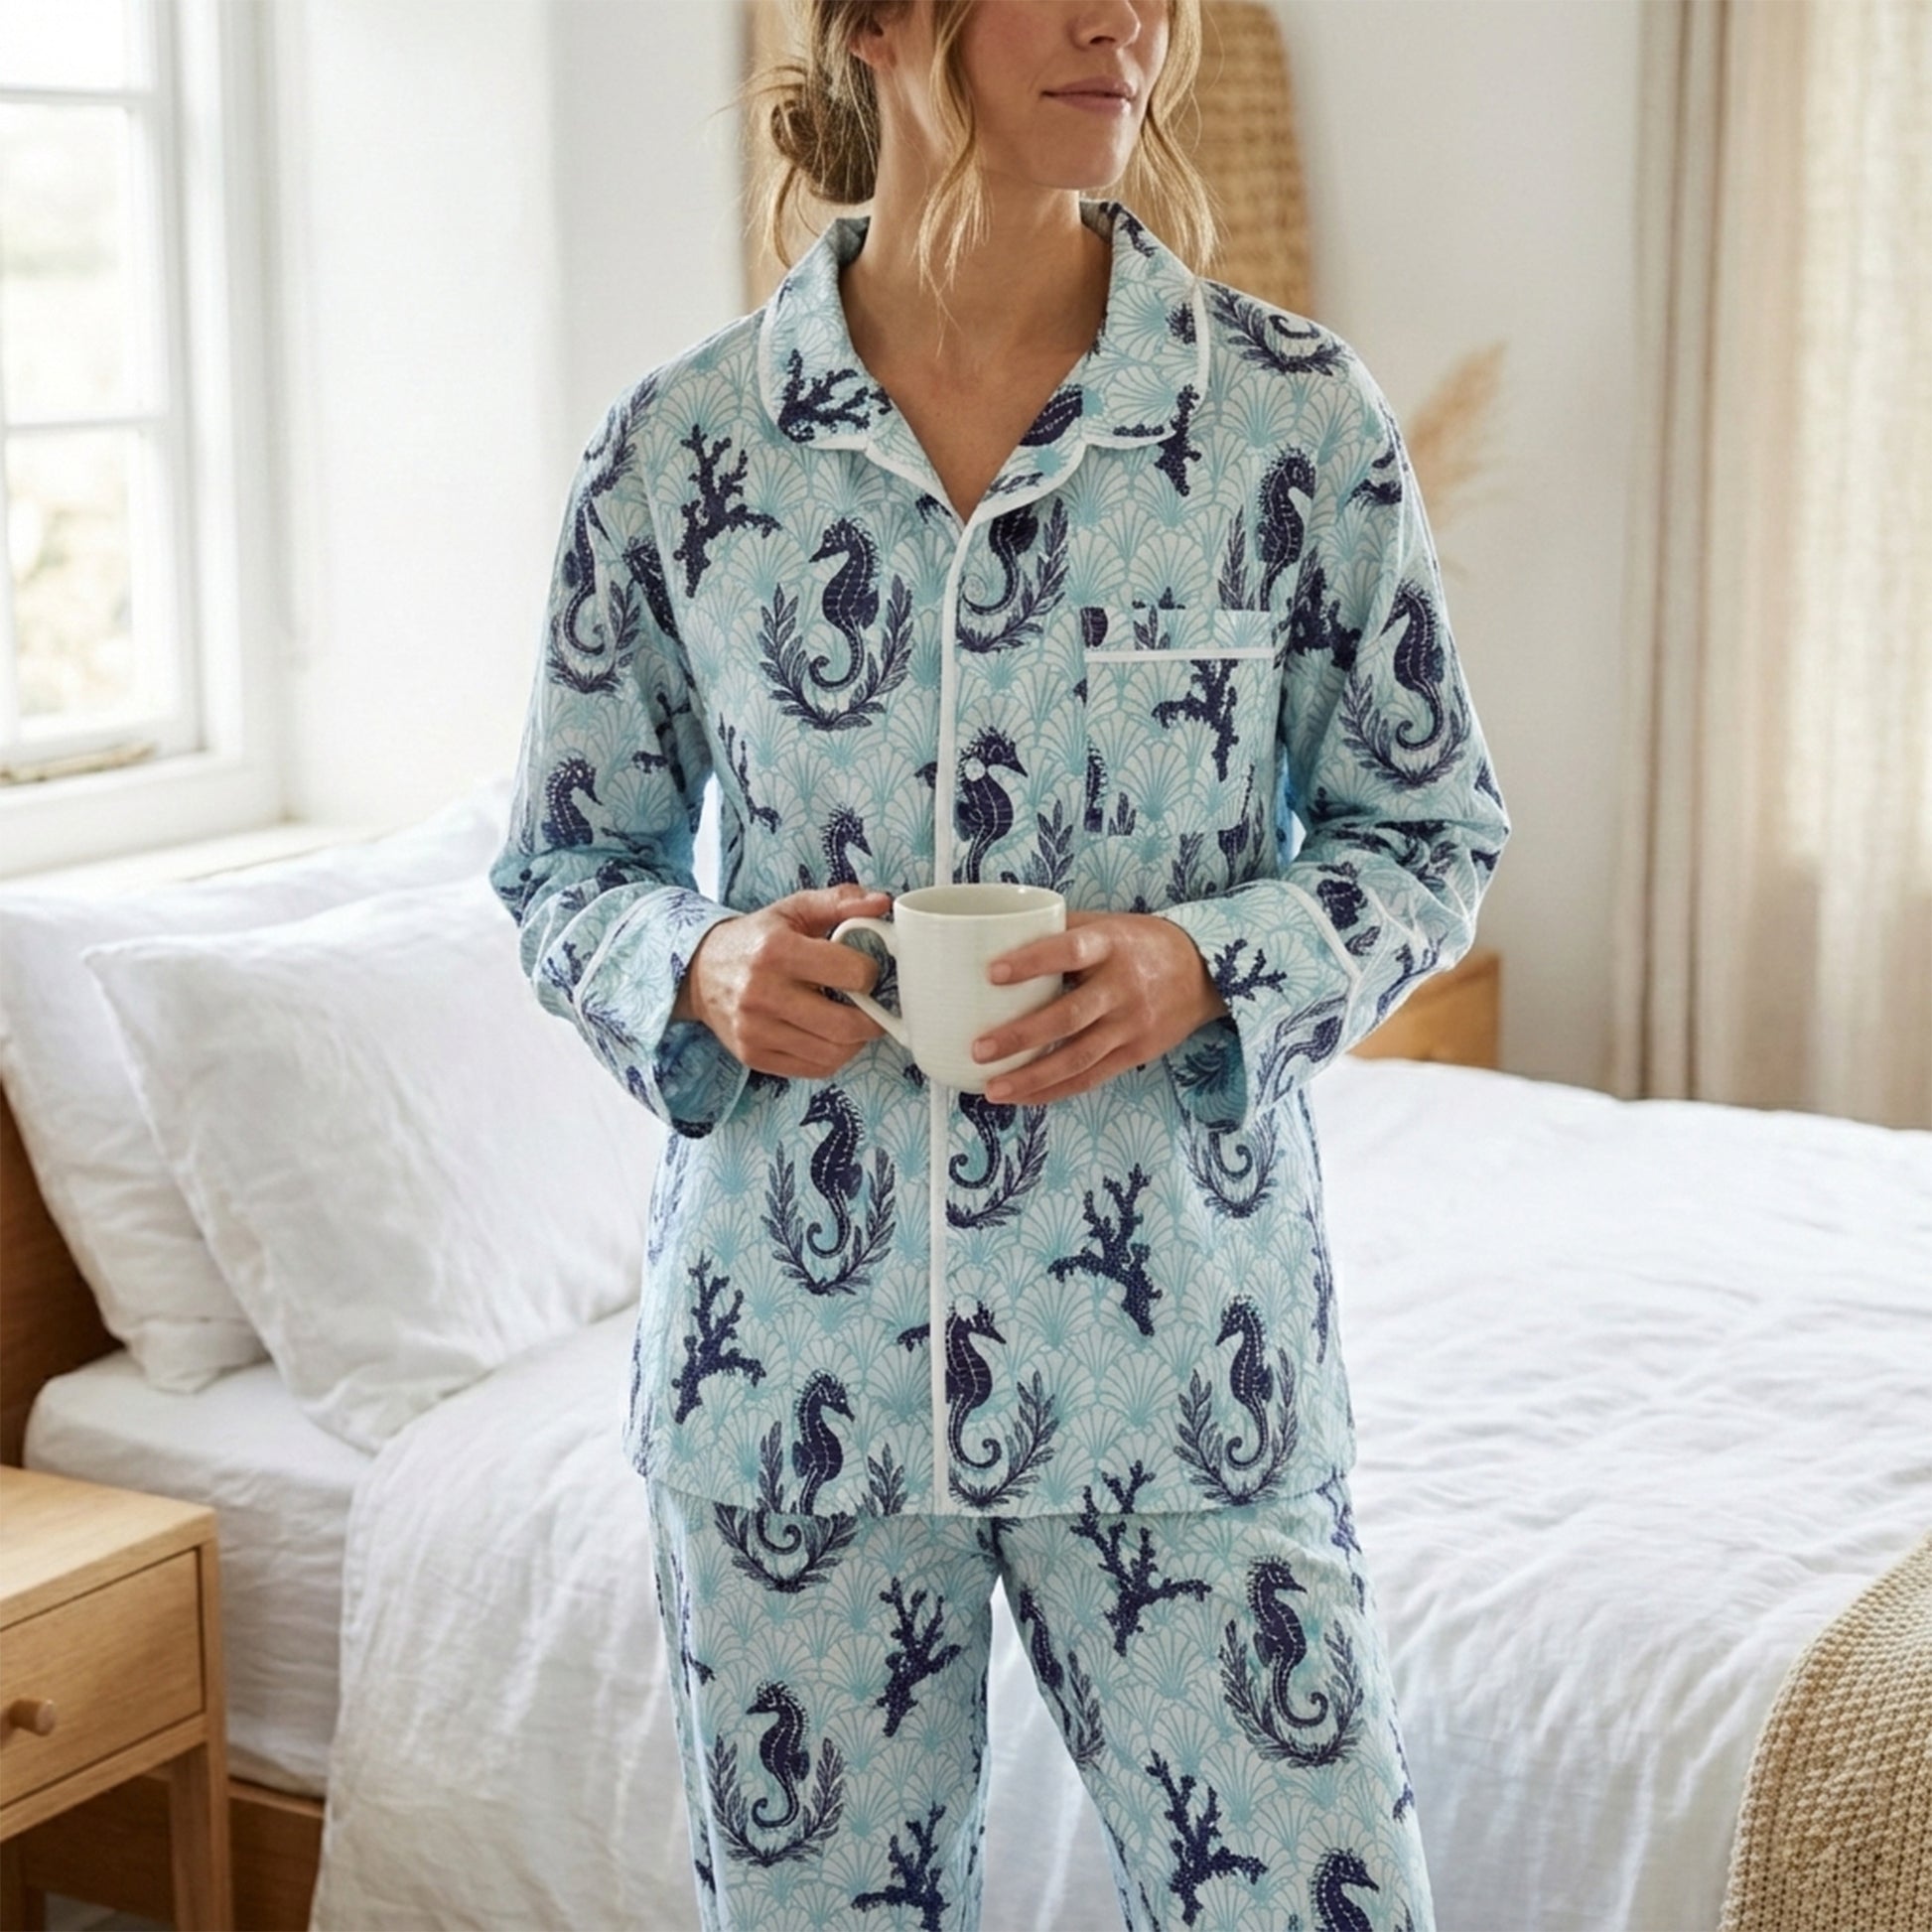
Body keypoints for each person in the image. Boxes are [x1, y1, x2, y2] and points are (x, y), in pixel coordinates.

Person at [489, 1, 1510, 1924]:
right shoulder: (682, 453)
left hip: (1179, 1375)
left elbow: (1428, 832)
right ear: (882, 20)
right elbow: (565, 865)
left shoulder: (1284, 423)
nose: (1133, 19)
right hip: (789, 1389)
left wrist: (1205, 965)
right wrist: (696, 964)